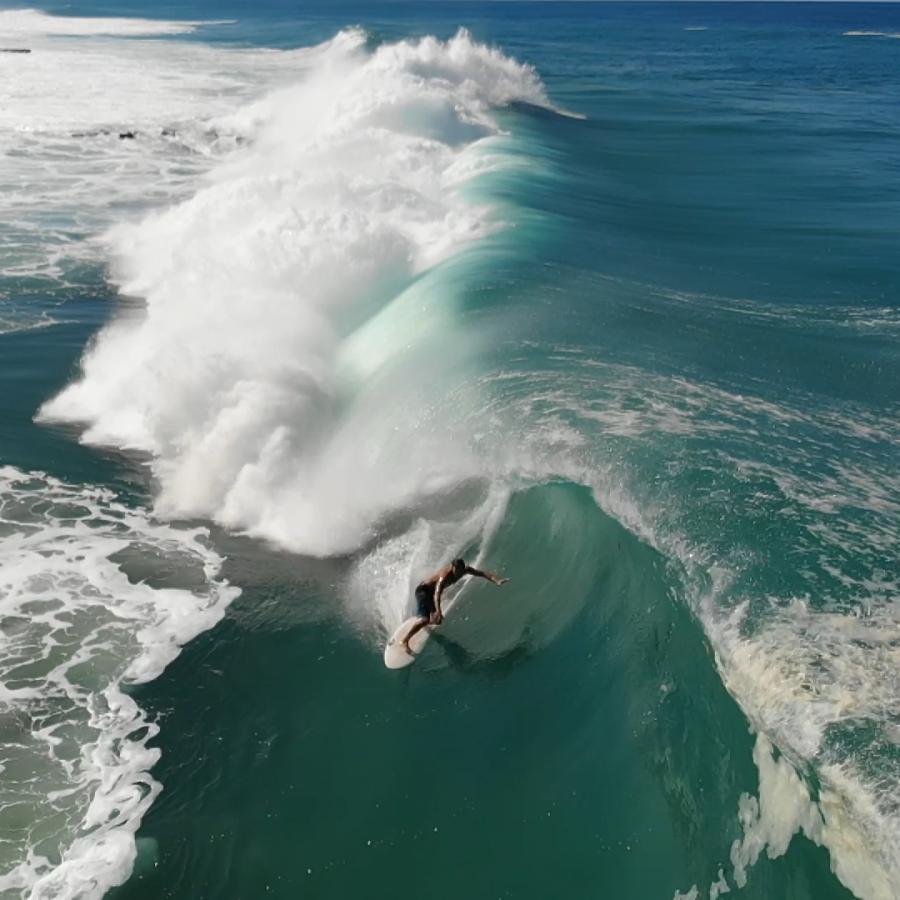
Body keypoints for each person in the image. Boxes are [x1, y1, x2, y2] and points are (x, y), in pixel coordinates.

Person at [401, 557, 509, 655]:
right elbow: (437, 594)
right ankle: (405, 640)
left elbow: (481, 573)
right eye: (457, 571)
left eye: (461, 571)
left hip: (431, 593)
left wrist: (496, 580)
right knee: (426, 620)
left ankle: (422, 617)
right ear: (452, 568)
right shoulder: (444, 577)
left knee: (437, 621)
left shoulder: (465, 570)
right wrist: (439, 611)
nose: (459, 574)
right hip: (423, 591)